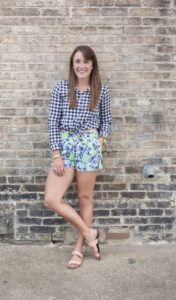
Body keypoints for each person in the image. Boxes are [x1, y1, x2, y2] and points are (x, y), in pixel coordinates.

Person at [44, 45, 112, 269]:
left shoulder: (102, 91)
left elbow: (107, 121)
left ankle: (79, 247)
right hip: (65, 146)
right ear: (72, 65)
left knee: (84, 199)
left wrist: (99, 141)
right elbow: (53, 122)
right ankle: (89, 232)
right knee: (52, 199)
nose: (81, 66)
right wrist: (56, 154)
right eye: (77, 62)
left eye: (85, 62)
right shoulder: (61, 89)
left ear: (93, 65)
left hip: (89, 146)